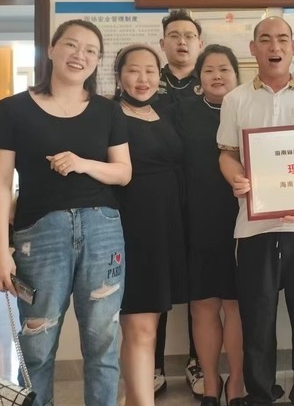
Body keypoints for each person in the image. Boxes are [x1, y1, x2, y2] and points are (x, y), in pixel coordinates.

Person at [0, 19, 132, 406]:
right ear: (51, 49)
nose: (79, 55)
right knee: (36, 343)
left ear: (97, 61)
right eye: (71, 45)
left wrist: (83, 163)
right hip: (39, 235)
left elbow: (123, 172)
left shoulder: (108, 111)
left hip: (103, 231)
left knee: (102, 343)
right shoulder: (12, 109)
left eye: (90, 50)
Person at [217, 16, 294, 406]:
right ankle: (259, 395)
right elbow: (227, 153)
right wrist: (236, 177)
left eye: (283, 39)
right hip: (254, 228)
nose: (275, 46)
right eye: (266, 39)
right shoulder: (236, 99)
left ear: (293, 47)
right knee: (257, 320)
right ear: (253, 49)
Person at [113, 44, 188, 406]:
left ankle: (134, 399)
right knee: (139, 327)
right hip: (131, 228)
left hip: (167, 227)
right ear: (118, 76)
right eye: (133, 70)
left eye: (150, 71)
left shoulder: (167, 110)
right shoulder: (107, 113)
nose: (142, 79)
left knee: (150, 325)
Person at [176, 44, 245, 406]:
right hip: (196, 221)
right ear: (199, 79)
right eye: (208, 70)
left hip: (243, 221)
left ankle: (237, 382)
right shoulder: (183, 111)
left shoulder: (250, 108)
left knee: (236, 305)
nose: (217, 76)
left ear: (237, 75)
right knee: (202, 305)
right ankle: (210, 383)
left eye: (224, 69)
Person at [152, 8, 205, 395]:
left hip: (204, 197)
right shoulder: (148, 84)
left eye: (189, 36)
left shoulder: (213, 84)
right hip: (158, 198)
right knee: (156, 280)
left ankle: (197, 362)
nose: (182, 42)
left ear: (200, 44)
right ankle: (153, 365)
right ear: (163, 43)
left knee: (200, 283)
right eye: (174, 35)